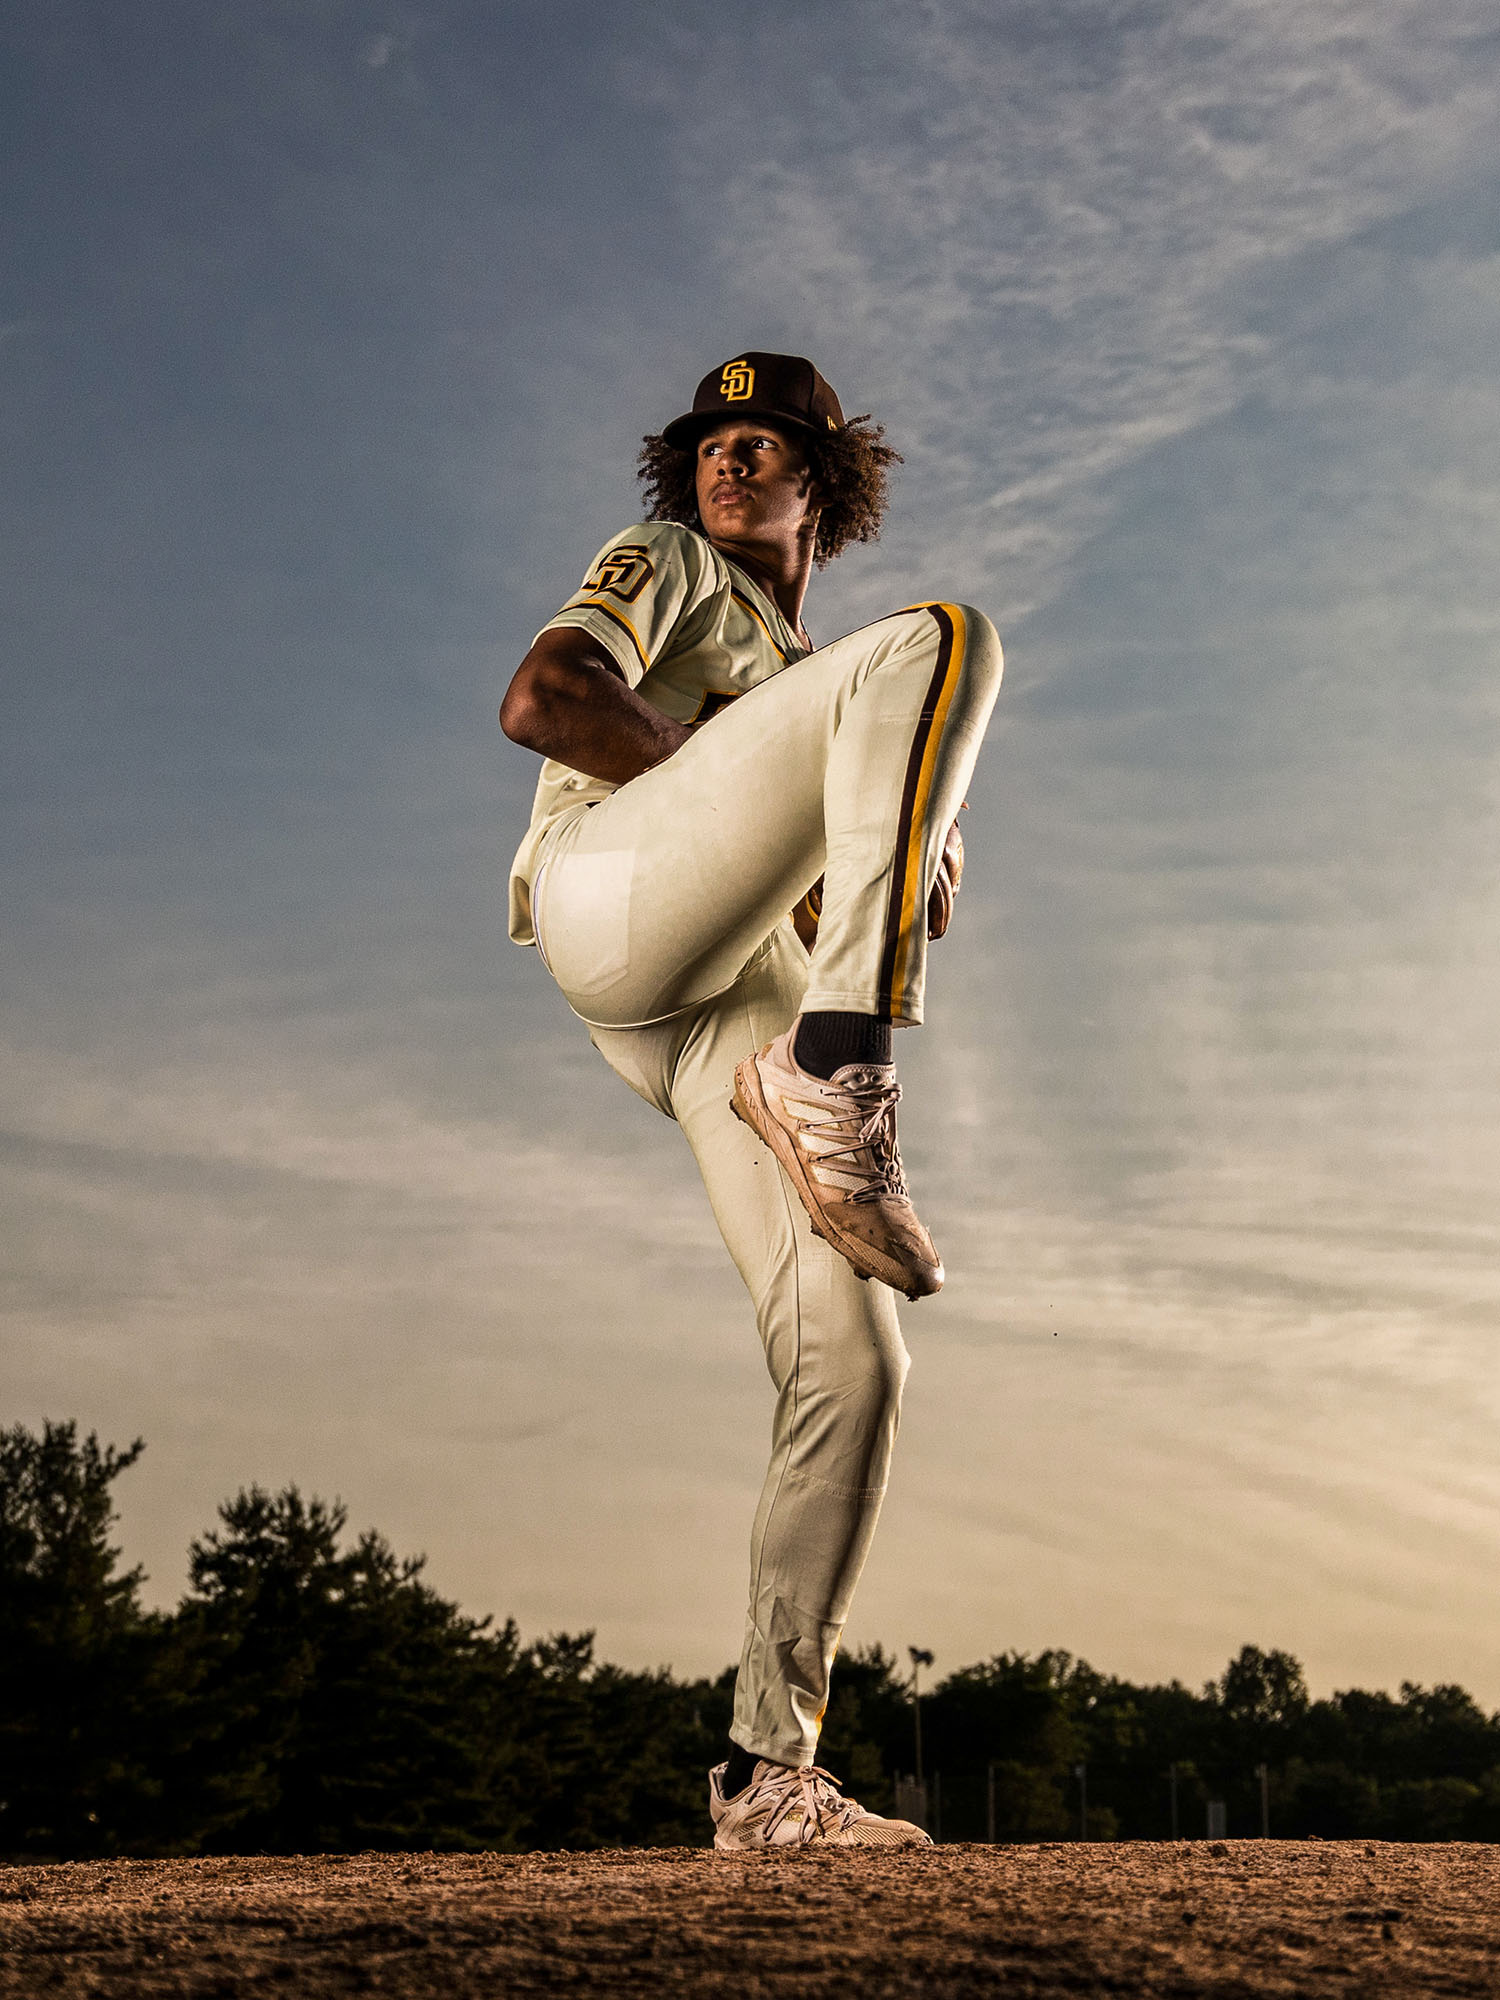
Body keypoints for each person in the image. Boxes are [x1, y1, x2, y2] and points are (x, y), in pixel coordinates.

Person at [501, 352, 1003, 1849]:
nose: (731, 461)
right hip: (617, 895)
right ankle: (844, 1070)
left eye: (765, 442)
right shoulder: (669, 565)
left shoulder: (821, 686)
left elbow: (903, 878)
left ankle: (764, 1772)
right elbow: (545, 696)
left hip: (725, 1010)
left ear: (822, 479)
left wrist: (885, 860)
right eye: (712, 442)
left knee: (856, 1358)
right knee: (948, 640)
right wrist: (769, 812)